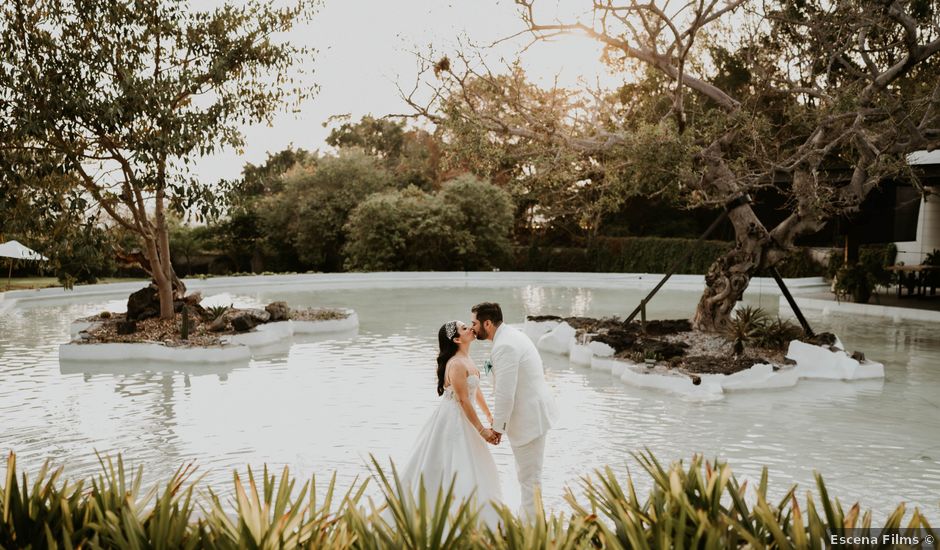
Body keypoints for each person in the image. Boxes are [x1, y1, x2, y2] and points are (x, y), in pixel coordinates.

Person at [396, 320, 503, 528]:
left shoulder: (467, 359)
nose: (470, 328)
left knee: (475, 464)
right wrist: (482, 431)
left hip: (466, 416)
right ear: (456, 339)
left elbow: (475, 390)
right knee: (455, 464)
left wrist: (489, 415)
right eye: (464, 328)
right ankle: (451, 517)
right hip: (454, 419)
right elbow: (463, 400)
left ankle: (477, 515)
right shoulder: (455, 364)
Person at [470, 302, 558, 518]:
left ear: (487, 323)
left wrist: (497, 429)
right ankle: (531, 523)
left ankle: (533, 531)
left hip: (529, 419)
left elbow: (505, 393)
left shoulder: (505, 346)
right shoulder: (509, 336)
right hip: (533, 414)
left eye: (474, 323)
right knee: (528, 477)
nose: (472, 328)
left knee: (529, 480)